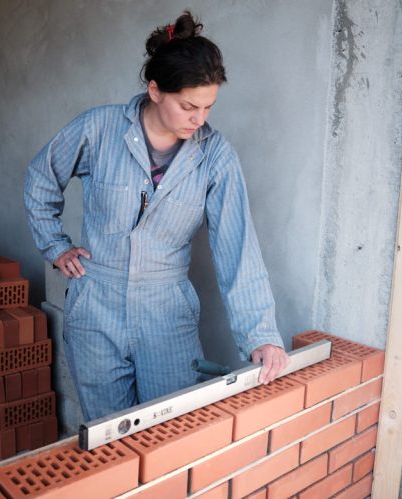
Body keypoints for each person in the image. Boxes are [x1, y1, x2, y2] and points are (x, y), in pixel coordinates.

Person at [24, 11, 289, 421]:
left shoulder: (215, 157)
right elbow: (41, 178)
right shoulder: (99, 129)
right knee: (109, 441)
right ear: (154, 90)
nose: (200, 119)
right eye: (188, 106)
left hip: (167, 312)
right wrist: (55, 245)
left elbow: (238, 248)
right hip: (96, 305)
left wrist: (261, 336)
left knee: (171, 437)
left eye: (208, 106)